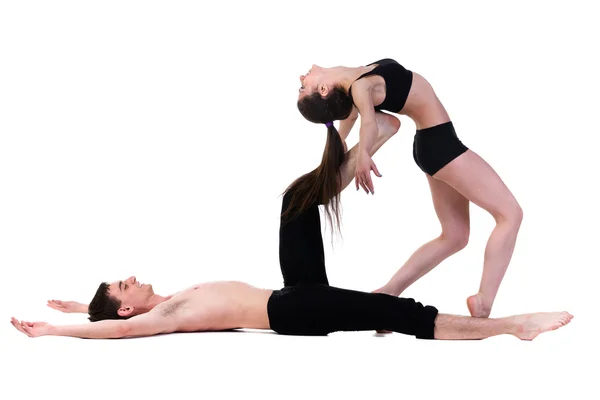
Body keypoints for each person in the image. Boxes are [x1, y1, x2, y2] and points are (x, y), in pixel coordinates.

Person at [10, 128, 572, 341]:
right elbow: (114, 333)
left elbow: (105, 316)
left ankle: (365, 146)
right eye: (121, 287)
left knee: (293, 204)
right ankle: (510, 327)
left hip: (291, 291)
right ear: (131, 312)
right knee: (395, 315)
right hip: (296, 313)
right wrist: (58, 330)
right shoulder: (163, 318)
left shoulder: (165, 299)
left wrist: (81, 303)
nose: (129, 278)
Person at [296, 58, 523, 318]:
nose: (301, 80)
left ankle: (387, 294)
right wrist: (363, 155)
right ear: (322, 90)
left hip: (432, 145)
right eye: (303, 88)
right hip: (441, 145)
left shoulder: (352, 83)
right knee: (510, 214)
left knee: (455, 235)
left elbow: (350, 115)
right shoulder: (359, 87)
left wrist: (341, 141)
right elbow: (368, 122)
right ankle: (484, 301)